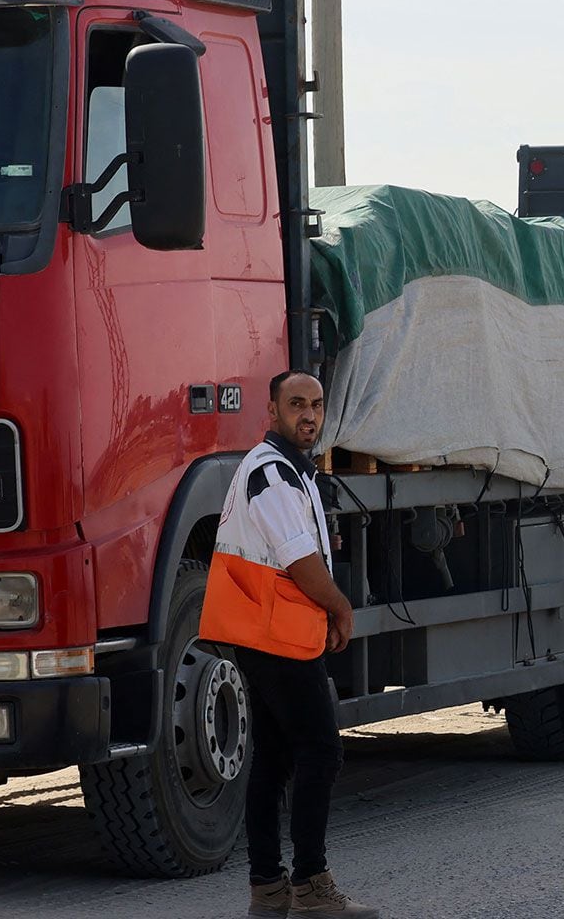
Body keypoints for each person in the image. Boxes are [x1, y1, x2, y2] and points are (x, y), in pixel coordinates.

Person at [198, 370, 377, 918]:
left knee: (274, 757)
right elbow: (299, 560)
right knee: (322, 749)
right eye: (296, 404)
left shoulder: (285, 470)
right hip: (273, 635)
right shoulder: (272, 474)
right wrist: (341, 606)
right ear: (271, 413)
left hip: (269, 630)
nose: (309, 415)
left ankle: (268, 889)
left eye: (317, 406)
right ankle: (310, 886)